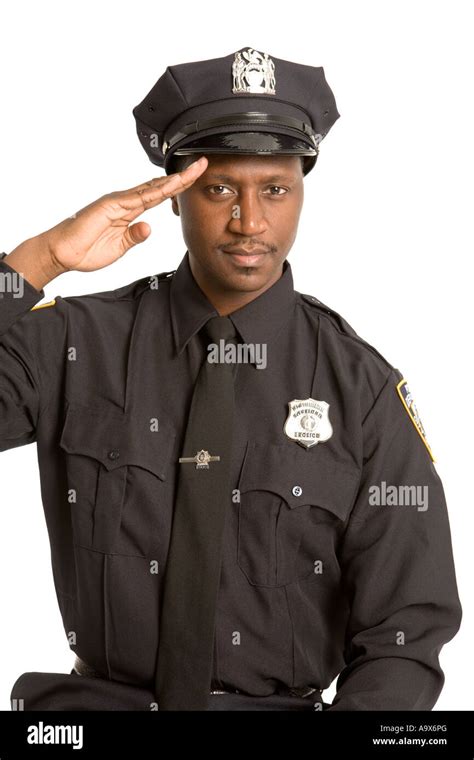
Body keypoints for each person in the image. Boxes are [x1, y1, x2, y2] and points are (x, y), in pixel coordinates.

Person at [0, 46, 461, 711]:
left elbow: (406, 631)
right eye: (219, 189)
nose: (249, 221)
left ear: (302, 192)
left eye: (274, 189)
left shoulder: (362, 391)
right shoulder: (76, 342)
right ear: (178, 196)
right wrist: (39, 260)